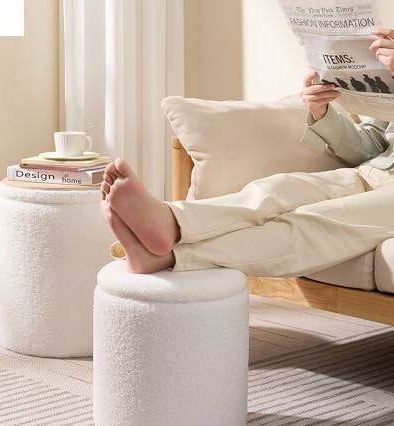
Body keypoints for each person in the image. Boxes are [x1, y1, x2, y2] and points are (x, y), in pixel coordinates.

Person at [100, 28, 394, 275]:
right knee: (278, 188)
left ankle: (172, 258)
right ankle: (173, 220)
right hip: (374, 172)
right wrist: (322, 112)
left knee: (317, 220)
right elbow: (371, 144)